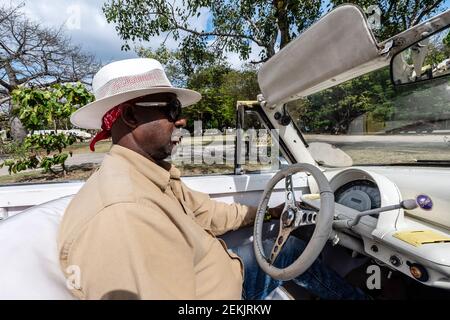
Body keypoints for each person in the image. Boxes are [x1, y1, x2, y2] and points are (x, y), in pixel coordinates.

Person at [58, 58, 366, 300]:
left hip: (226, 275)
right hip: (229, 293)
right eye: (171, 109)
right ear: (131, 117)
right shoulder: (126, 214)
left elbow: (211, 214)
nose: (182, 120)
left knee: (288, 251)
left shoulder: (149, 175)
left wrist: (270, 211)